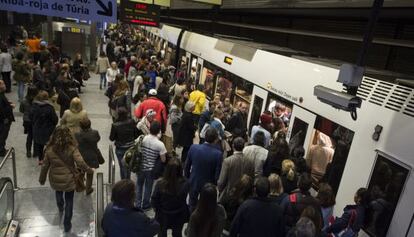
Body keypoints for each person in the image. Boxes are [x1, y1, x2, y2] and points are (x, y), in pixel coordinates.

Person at [39, 126, 93, 233]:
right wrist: (89, 170)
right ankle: (67, 224)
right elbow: (80, 162)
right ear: (69, 135)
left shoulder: (49, 149)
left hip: (55, 177)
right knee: (69, 200)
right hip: (69, 178)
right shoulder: (72, 148)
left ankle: (60, 207)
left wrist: (42, 178)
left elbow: (45, 166)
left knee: (58, 192)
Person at [184, 128, 223, 211]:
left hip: (194, 181)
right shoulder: (218, 154)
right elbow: (217, 175)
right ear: (215, 140)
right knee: (205, 208)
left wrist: (188, 179)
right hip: (208, 186)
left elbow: (187, 166)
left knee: (192, 205)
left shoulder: (193, 148)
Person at [151, 158, 190, 237]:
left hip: (163, 215)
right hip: (179, 214)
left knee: (162, 233)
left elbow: (154, 200)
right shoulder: (186, 183)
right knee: (177, 233)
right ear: (180, 170)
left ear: (167, 169)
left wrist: (157, 209)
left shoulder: (160, 184)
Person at [136, 121, 167, 210]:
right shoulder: (160, 144)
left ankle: (138, 204)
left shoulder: (142, 138)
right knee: (148, 187)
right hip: (151, 169)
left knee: (139, 185)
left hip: (140, 166)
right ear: (158, 131)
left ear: (149, 129)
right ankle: (145, 204)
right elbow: (163, 159)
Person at [218, 137, 254, 202]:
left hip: (229, 196)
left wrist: (220, 190)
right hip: (244, 197)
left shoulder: (227, 161)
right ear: (243, 147)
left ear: (233, 146)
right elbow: (251, 179)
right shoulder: (250, 161)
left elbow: (221, 182)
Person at [109, 108, 140, 179]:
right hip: (130, 147)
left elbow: (111, 138)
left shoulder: (115, 125)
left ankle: (123, 181)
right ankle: (128, 179)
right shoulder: (131, 122)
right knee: (129, 164)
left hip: (120, 148)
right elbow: (136, 134)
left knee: (122, 166)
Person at [30, 90, 58, 164]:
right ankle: (49, 158)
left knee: (39, 145)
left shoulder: (34, 106)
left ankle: (40, 159)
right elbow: (55, 119)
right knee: (49, 144)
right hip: (48, 130)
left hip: (37, 128)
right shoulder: (50, 107)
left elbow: (30, 117)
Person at [74, 118, 102, 195]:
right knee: (90, 173)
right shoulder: (95, 133)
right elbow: (98, 139)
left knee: (81, 171)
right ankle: (88, 189)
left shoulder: (77, 134)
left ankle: (81, 186)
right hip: (92, 156)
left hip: (81, 156)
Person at [19, 85, 38, 158]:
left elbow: (21, 110)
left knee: (29, 136)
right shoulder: (37, 102)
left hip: (27, 120)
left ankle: (28, 151)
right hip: (35, 120)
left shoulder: (24, 101)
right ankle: (36, 152)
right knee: (36, 136)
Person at [0, 79, 15, 157]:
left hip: (3, 120)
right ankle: (1, 151)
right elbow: (2, 110)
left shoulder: (2, 94)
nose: (5, 85)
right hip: (3, 120)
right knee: (3, 135)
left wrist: (8, 103)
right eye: (3, 84)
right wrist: (11, 106)